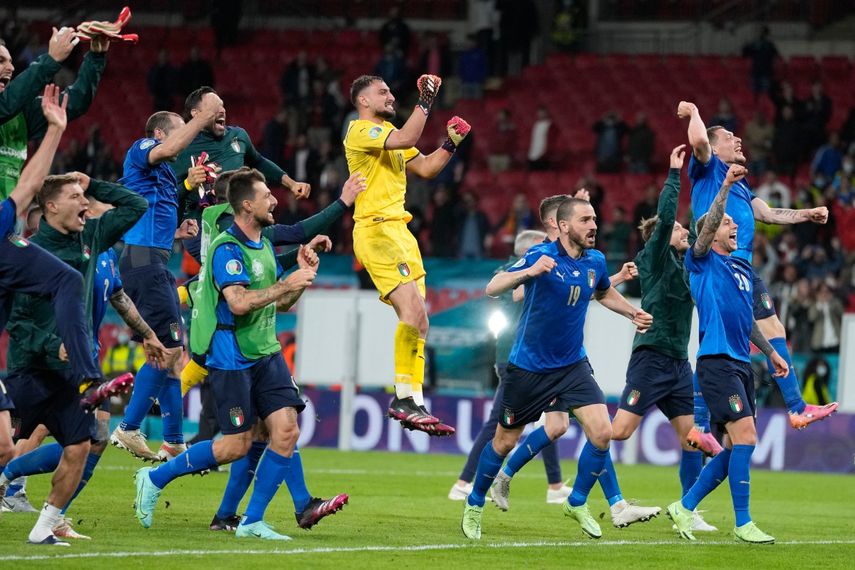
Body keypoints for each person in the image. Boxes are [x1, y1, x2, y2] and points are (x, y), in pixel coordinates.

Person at [132, 169, 348, 540]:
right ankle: (155, 477)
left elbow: (281, 303)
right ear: (247, 205)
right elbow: (237, 303)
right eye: (267, 195)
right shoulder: (226, 249)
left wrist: (301, 274)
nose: (275, 199)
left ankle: (251, 521)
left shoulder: (263, 243)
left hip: (265, 351)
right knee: (236, 445)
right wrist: (287, 282)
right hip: (230, 356)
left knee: (286, 431)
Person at [461, 197, 653, 541]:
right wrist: (529, 272)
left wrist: (631, 313)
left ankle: (576, 501)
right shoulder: (540, 255)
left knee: (602, 433)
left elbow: (604, 292)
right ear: (564, 226)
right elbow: (493, 288)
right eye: (584, 220)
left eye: (594, 218)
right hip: (529, 369)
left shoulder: (595, 259)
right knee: (503, 442)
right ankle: (475, 503)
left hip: (572, 366)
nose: (593, 225)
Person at [2, 149, 154, 546]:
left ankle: (44, 526)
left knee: (84, 442)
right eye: (74, 197)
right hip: (30, 367)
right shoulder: (27, 253)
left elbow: (136, 203)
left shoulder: (92, 237)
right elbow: (16, 322)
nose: (84, 204)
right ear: (50, 207)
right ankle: (8, 476)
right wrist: (55, 346)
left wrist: (91, 183)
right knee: (11, 446)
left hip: (76, 369)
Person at [677, 100, 837, 435]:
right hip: (714, 263)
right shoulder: (708, 169)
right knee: (716, 340)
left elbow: (767, 214)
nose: (738, 141)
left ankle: (796, 407)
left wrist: (807, 214)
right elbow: (699, 143)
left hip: (742, 268)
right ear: (716, 146)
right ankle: (701, 425)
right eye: (730, 137)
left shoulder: (740, 183)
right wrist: (694, 112)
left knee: (773, 330)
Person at [667, 163, 789, 544]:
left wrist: (770, 351)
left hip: (741, 362)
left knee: (735, 446)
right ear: (711, 233)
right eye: (726, 225)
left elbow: (747, 319)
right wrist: (723, 187)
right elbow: (704, 231)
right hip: (717, 362)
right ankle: (743, 522)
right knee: (748, 436)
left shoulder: (739, 266)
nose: (735, 227)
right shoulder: (702, 261)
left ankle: (684, 507)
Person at [344, 73, 470, 435]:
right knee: (414, 312)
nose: (389, 95)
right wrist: (426, 100)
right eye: (381, 92)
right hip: (377, 229)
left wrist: (451, 142)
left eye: (389, 90)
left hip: (400, 233)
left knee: (421, 321)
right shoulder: (360, 131)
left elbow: (428, 167)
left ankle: (412, 400)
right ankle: (401, 398)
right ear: (363, 101)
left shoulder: (389, 135)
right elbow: (407, 137)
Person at [605, 145, 715, 532]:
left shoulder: (687, 269)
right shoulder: (654, 257)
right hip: (650, 359)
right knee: (616, 433)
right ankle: (576, 407)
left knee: (692, 440)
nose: (685, 232)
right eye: (681, 230)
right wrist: (674, 173)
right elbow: (669, 217)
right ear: (665, 236)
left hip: (678, 365)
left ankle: (687, 510)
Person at [109, 93, 223, 462]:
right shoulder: (142, 147)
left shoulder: (159, 178)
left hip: (151, 260)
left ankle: (174, 439)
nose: (185, 140)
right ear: (159, 134)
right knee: (169, 350)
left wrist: (176, 229)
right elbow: (171, 147)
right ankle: (128, 428)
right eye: (178, 133)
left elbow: (151, 207)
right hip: (144, 265)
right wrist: (201, 118)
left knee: (174, 354)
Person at [449, 230, 572, 504]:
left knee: (551, 418)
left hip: (535, 359)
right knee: (499, 424)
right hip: (514, 358)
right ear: (527, 250)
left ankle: (554, 486)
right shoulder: (506, 272)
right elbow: (515, 297)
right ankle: (463, 483)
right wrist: (532, 272)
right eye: (542, 246)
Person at [171, 87, 311, 224]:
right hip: (201, 228)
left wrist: (292, 184)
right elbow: (167, 196)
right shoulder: (181, 148)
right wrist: (187, 184)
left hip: (239, 223)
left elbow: (258, 161)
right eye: (214, 106)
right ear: (196, 113)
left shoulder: (238, 136)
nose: (222, 110)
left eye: (222, 105)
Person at [1, 29, 110, 198]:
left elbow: (76, 102)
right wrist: (50, 60)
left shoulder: (21, 113)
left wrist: (96, 57)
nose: (11, 67)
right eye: (1, 61)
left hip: (7, 217)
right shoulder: (9, 106)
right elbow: (6, 105)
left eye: (10, 61)